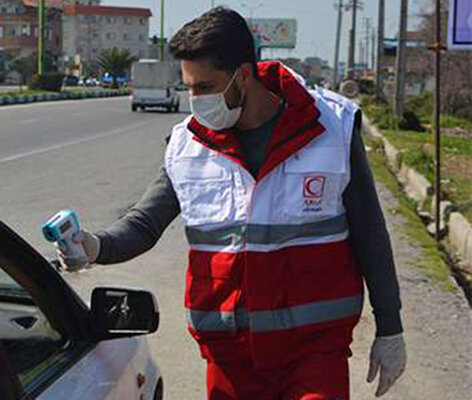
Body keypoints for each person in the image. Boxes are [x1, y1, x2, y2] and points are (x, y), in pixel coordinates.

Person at [57, 7, 406, 400]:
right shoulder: (188, 145)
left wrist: (389, 326)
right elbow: (143, 223)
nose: (195, 101)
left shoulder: (330, 127)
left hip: (313, 352)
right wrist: (95, 246)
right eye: (188, 87)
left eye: (205, 87)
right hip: (229, 356)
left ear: (243, 74)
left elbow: (369, 231)